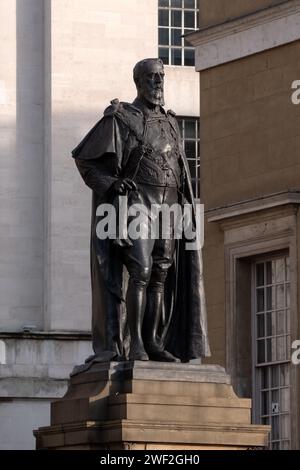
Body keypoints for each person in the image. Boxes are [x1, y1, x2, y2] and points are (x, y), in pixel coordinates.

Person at [72, 58, 210, 363]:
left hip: (171, 205)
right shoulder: (121, 118)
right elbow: (85, 160)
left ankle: (153, 341)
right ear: (139, 82)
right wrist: (111, 183)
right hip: (139, 204)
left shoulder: (171, 122)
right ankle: (134, 344)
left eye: (161, 77)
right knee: (141, 271)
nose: (159, 82)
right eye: (152, 77)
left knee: (161, 273)